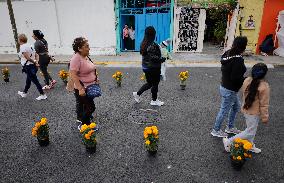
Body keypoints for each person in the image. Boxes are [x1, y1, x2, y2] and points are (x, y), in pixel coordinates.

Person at [223, 63, 270, 154]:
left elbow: (244, 93)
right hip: (254, 112)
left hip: (246, 109)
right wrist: (265, 117)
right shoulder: (264, 86)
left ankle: (250, 145)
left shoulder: (247, 80)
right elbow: (264, 104)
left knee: (251, 129)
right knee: (250, 132)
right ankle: (229, 141)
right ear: (264, 74)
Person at [211, 36, 248, 137]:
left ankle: (230, 127)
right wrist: (246, 80)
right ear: (243, 46)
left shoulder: (228, 53)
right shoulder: (238, 60)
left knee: (235, 107)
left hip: (225, 86)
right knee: (224, 110)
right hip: (230, 89)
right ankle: (216, 130)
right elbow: (235, 78)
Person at [68, 37, 97, 130]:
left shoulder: (85, 56)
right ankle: (84, 125)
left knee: (88, 107)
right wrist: (80, 88)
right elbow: (73, 75)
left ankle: (86, 121)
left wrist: (95, 78)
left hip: (90, 86)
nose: (89, 48)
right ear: (79, 49)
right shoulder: (76, 59)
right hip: (82, 88)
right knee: (90, 108)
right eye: (86, 46)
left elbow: (90, 68)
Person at [133, 26, 166, 106]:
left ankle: (137, 94)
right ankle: (154, 100)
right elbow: (154, 58)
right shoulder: (152, 44)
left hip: (146, 67)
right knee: (155, 84)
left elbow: (148, 56)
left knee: (150, 83)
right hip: (153, 68)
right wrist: (162, 59)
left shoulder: (143, 43)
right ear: (153, 34)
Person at [17, 34, 47, 100]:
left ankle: (43, 94)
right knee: (28, 80)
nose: (18, 40)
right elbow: (37, 55)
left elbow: (27, 58)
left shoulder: (22, 47)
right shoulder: (30, 45)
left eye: (18, 39)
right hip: (32, 66)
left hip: (28, 67)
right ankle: (24, 93)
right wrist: (36, 62)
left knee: (35, 81)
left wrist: (35, 62)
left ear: (20, 40)